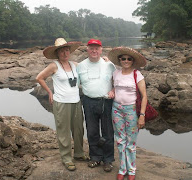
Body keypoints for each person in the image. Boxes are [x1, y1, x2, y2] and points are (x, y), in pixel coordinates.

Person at [36, 38, 89, 171]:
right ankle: (66, 158)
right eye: (62, 51)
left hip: (76, 102)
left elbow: (89, 66)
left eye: (67, 50)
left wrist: (105, 60)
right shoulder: (54, 65)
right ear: (57, 53)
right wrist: (49, 92)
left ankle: (79, 153)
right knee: (63, 131)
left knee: (78, 130)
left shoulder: (74, 64)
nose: (65, 53)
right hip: (61, 103)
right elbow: (39, 78)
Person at [108, 47, 147, 180]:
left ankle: (131, 170)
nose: (126, 61)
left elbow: (144, 96)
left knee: (131, 142)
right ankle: (122, 168)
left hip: (131, 110)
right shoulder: (116, 73)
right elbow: (115, 87)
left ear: (132, 61)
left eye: (129, 59)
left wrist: (142, 116)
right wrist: (112, 91)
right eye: (123, 58)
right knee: (120, 140)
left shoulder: (137, 75)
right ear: (119, 60)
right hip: (116, 109)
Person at [77, 39, 116, 172]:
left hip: (106, 101)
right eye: (91, 48)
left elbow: (118, 80)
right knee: (92, 131)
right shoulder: (80, 66)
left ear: (101, 50)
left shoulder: (109, 64)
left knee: (108, 132)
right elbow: (75, 84)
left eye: (97, 48)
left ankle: (108, 159)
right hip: (88, 101)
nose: (94, 51)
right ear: (87, 50)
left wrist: (114, 90)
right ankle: (95, 157)